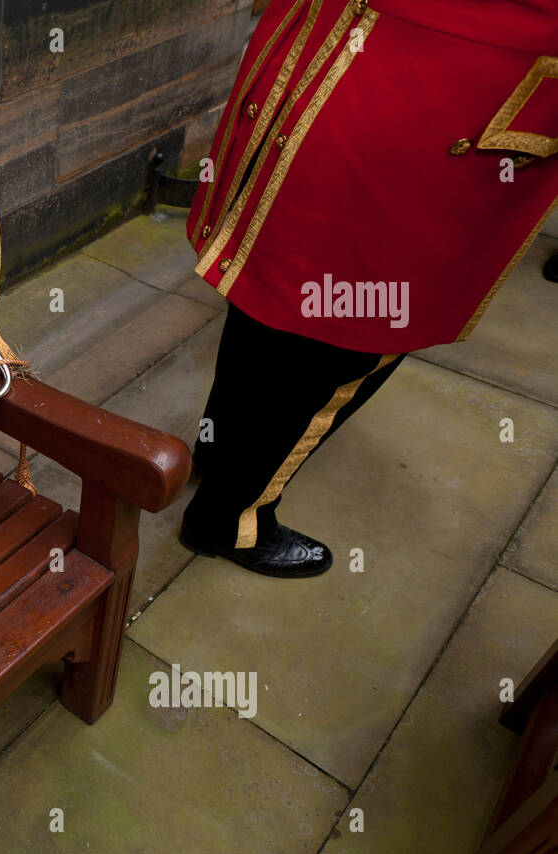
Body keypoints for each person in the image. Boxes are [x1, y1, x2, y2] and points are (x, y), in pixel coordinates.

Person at [180, 0, 558, 577]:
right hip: (434, 96)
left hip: (334, 60)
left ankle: (219, 453)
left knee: (275, 287)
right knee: (347, 332)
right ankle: (231, 517)